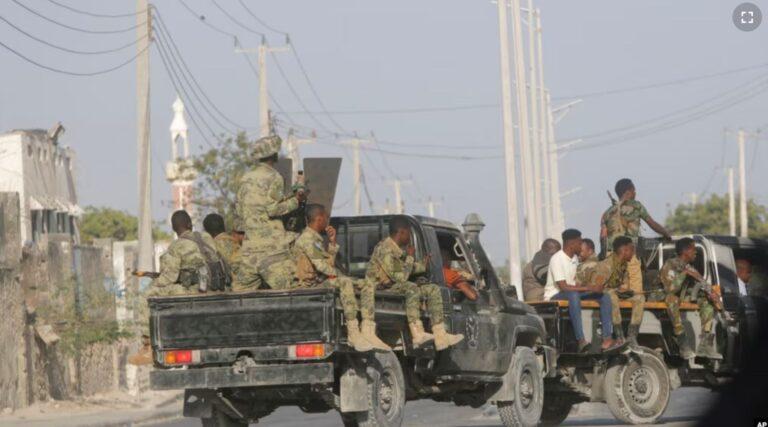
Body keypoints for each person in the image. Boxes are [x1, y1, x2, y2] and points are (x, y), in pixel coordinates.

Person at [128, 210, 221, 365]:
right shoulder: (206, 238)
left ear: (173, 228)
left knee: (147, 296)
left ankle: (147, 346)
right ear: (190, 224)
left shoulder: (177, 246)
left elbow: (168, 278)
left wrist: (155, 281)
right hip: (217, 286)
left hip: (195, 291)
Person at [292, 204, 388, 351]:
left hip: (319, 281)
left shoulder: (314, 239)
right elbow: (322, 267)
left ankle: (368, 331)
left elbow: (326, 263)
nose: (327, 221)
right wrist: (341, 275)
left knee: (367, 284)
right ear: (319, 219)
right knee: (344, 282)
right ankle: (353, 332)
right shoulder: (307, 239)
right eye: (326, 218)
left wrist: (332, 243)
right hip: (309, 286)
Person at [367, 216, 464, 351]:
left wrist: (423, 265)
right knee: (412, 288)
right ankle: (417, 333)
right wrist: (411, 257)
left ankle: (440, 335)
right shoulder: (385, 249)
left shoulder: (396, 250)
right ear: (401, 232)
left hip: (392, 286)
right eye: (408, 233)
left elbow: (405, 270)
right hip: (381, 288)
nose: (409, 238)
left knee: (432, 289)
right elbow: (400, 278)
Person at [234, 135, 306, 290]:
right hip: (272, 252)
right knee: (290, 294)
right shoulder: (274, 177)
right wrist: (296, 201)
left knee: (240, 296)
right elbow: (272, 209)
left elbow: (240, 210)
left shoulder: (245, 178)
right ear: (274, 155)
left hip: (249, 251)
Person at [544, 229, 619, 353]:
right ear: (571, 244)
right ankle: (581, 340)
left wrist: (594, 287)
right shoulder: (557, 259)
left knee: (604, 297)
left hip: (571, 293)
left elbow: (575, 283)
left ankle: (607, 339)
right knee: (574, 295)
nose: (581, 245)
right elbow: (564, 287)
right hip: (555, 295)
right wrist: (590, 288)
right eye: (579, 243)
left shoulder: (574, 258)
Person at [600, 178, 671, 298]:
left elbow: (603, 237)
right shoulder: (636, 206)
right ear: (629, 191)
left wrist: (603, 257)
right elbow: (652, 223)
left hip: (610, 257)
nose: (635, 193)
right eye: (634, 190)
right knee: (636, 293)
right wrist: (666, 233)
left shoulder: (607, 213)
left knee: (613, 293)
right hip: (629, 255)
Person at [660, 238, 721, 359]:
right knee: (672, 298)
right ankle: (682, 343)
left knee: (706, 301)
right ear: (685, 251)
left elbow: (702, 282)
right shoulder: (670, 264)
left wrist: (712, 294)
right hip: (663, 296)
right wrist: (684, 274)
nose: (695, 252)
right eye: (693, 249)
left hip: (682, 297)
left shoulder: (688, 267)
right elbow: (670, 289)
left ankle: (704, 345)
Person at [589, 236, 644, 346]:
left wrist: (626, 291)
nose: (633, 253)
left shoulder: (623, 265)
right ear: (624, 250)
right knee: (611, 295)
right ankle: (619, 335)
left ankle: (632, 335)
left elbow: (624, 284)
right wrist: (613, 290)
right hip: (602, 296)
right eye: (631, 249)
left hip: (615, 293)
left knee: (639, 298)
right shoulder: (606, 265)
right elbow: (595, 287)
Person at [203, 213, 239, 288]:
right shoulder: (237, 242)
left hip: (227, 290)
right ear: (223, 226)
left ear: (207, 232)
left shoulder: (211, 247)